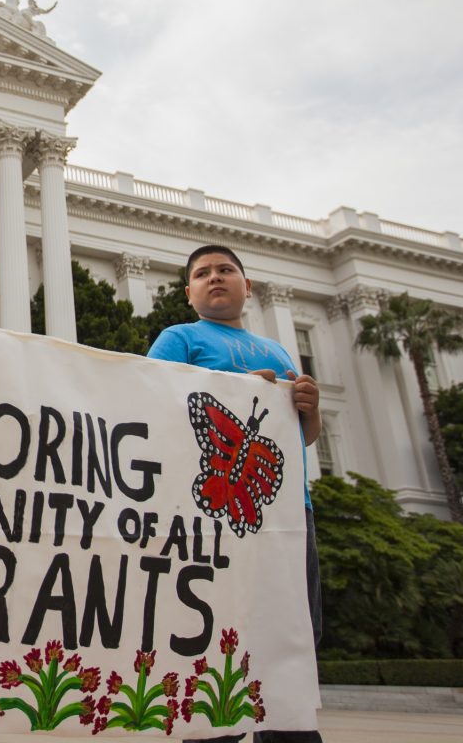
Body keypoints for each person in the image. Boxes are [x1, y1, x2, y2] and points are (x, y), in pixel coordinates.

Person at [146, 244, 323, 743]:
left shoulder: (280, 352)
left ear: (248, 285)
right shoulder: (179, 338)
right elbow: (153, 402)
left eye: (226, 270)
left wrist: (310, 413)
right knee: (220, 636)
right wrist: (236, 388)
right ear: (189, 293)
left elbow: (298, 442)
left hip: (290, 512)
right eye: (202, 273)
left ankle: (288, 729)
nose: (215, 278)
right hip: (214, 512)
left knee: (292, 635)